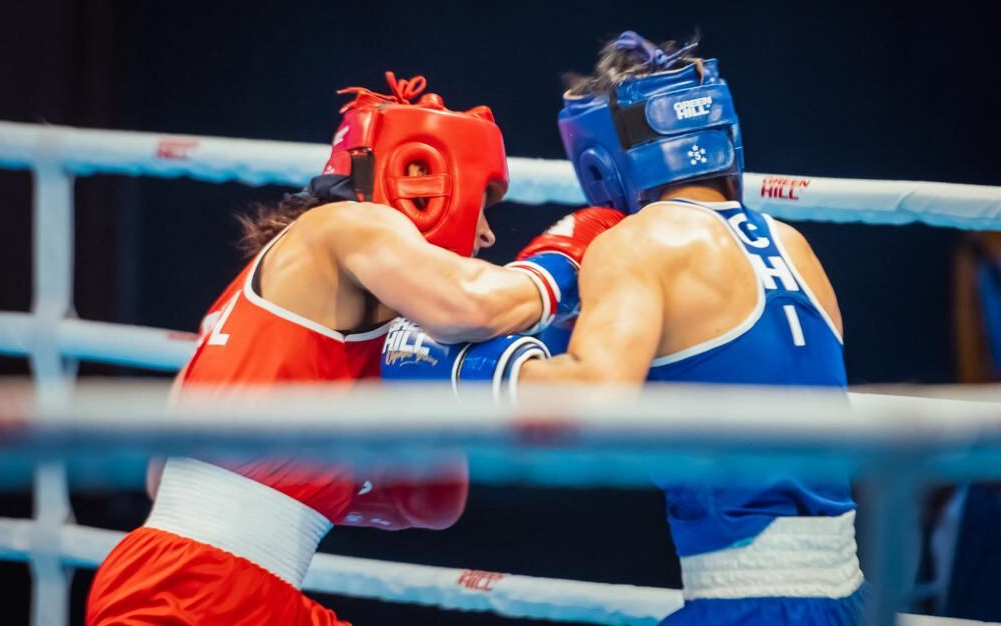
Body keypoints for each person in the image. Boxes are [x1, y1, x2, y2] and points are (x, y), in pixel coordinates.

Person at [85, 72, 616, 625]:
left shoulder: (267, 294)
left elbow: (159, 475)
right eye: (482, 204)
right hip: (198, 593)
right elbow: (470, 306)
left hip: (205, 583)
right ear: (418, 177)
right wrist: (569, 252)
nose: (486, 234)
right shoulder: (347, 226)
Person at [387, 33, 865, 624]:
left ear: (599, 157)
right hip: (848, 596)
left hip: (747, 606)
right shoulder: (793, 244)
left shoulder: (637, 244)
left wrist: (461, 369)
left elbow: (592, 397)